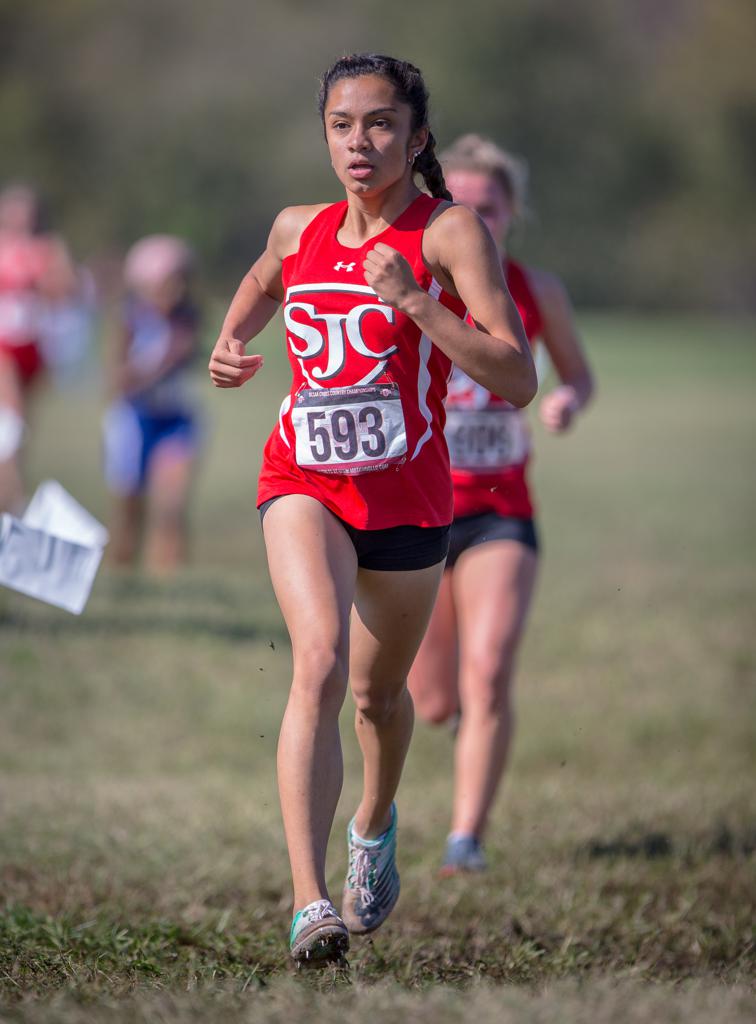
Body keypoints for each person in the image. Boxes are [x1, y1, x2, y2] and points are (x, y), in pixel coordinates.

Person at [208, 56, 537, 965]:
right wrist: (232, 343)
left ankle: (375, 823)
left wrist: (417, 302)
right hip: (302, 479)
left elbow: (516, 377)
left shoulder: (450, 232)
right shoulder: (296, 226)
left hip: (409, 500)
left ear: (416, 137)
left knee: (377, 695)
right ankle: (309, 901)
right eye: (344, 125)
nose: (362, 141)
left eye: (382, 124)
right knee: (316, 659)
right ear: (326, 135)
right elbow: (262, 284)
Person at [407, 134, 595, 875]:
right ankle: (453, 742)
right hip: (418, 511)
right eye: (462, 204)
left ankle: (465, 839)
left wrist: (567, 404)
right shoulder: (412, 284)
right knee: (431, 702)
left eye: (490, 205)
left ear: (512, 211)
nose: (476, 218)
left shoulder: (536, 289)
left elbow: (578, 376)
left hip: (499, 510)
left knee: (488, 671)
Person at [103, 235, 201, 573]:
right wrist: (131, 379)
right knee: (130, 503)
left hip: (176, 417)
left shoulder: (188, 318)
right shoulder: (130, 317)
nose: (176, 289)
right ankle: (123, 569)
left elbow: (178, 354)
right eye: (169, 281)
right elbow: (117, 375)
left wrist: (141, 375)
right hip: (134, 417)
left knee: (172, 503)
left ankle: (169, 578)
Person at [0, 183, 78, 513]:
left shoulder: (46, 248)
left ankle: (11, 491)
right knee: (12, 421)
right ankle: (14, 502)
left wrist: (46, 277)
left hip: (34, 346)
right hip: (4, 345)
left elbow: (67, 289)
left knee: (21, 431)